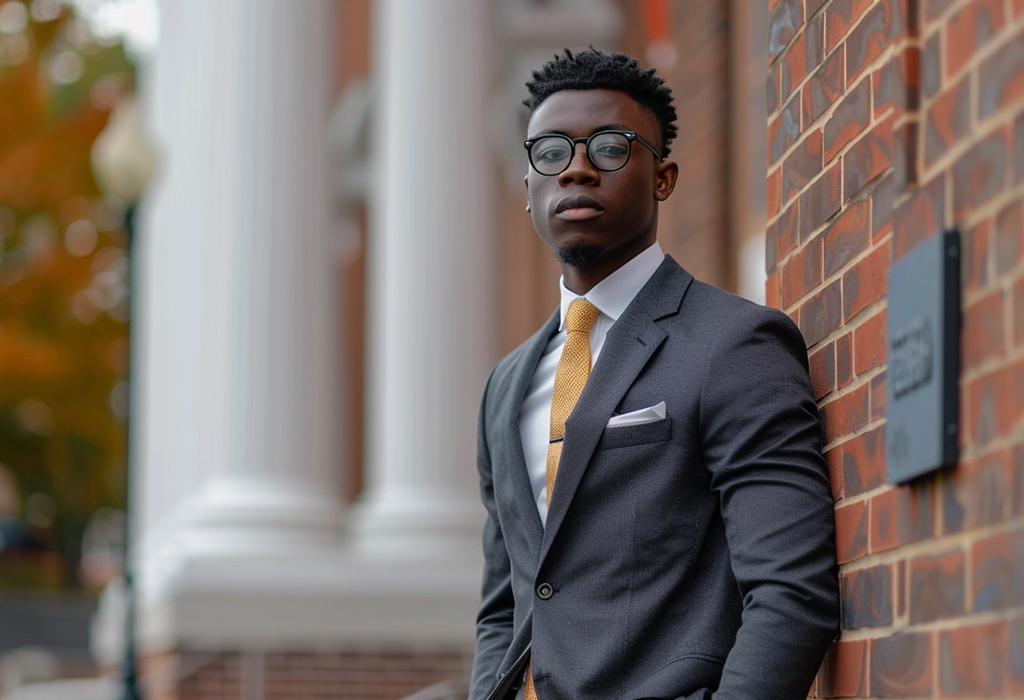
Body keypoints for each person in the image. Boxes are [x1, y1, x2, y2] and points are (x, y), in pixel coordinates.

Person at [469, 48, 839, 700]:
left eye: (610, 148)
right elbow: (506, 605)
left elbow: (791, 594)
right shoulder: (506, 386)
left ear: (662, 177)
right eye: (550, 152)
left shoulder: (733, 344)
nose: (577, 169)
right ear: (527, 188)